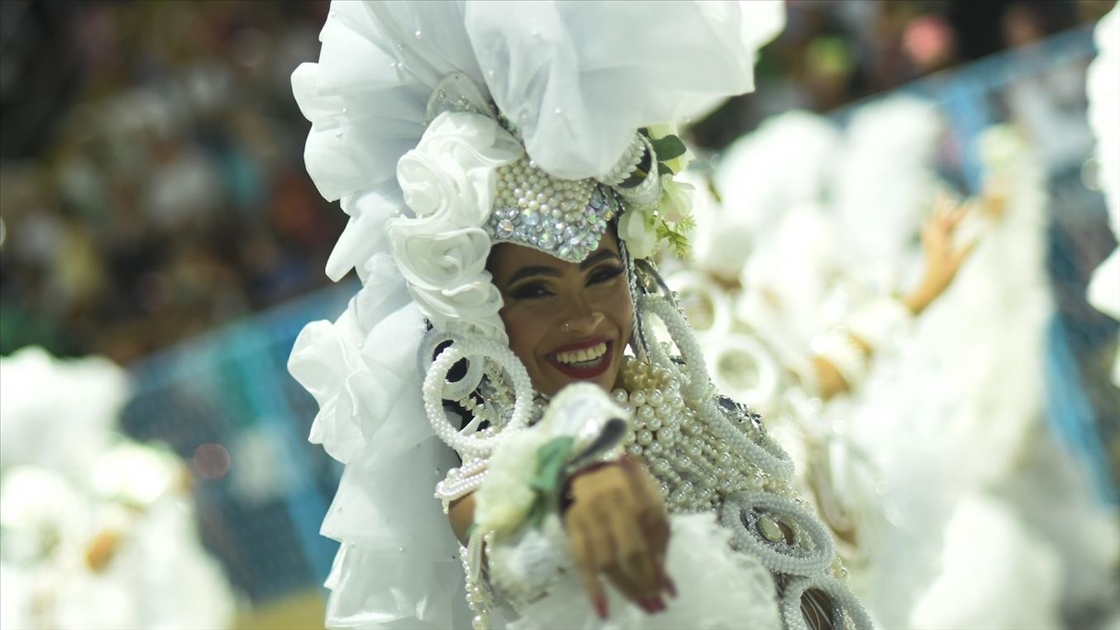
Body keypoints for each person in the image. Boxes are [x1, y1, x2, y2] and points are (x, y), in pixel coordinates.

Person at [288, 2, 872, 629]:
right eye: (538, 291)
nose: (584, 316)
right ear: (482, 312)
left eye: (601, 276)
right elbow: (505, 524)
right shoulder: (496, 474)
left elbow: (800, 401)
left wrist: (897, 312)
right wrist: (567, 486)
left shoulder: (690, 408)